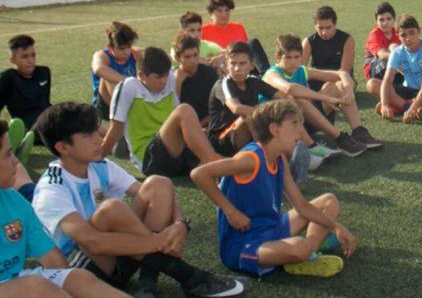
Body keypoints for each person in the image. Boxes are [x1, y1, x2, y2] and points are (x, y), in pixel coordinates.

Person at [31, 103, 248, 298]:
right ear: (63, 147)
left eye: (96, 131)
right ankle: (189, 276)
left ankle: (147, 284)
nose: (99, 138)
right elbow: (92, 242)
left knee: (158, 183)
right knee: (112, 209)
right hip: (82, 272)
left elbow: (151, 192)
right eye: (88, 135)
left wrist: (180, 223)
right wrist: (162, 240)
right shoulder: (52, 188)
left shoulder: (99, 166)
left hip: (120, 255)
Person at [190, 100, 356, 278]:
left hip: (273, 228)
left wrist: (337, 227)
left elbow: (301, 206)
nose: (301, 131)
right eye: (294, 124)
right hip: (244, 244)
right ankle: (307, 249)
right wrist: (231, 211)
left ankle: (308, 253)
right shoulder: (250, 159)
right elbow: (199, 174)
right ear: (275, 129)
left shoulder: (279, 158)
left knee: (329, 201)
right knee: (299, 247)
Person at [0, 119, 132, 298]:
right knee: (34, 287)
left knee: (77, 277)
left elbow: (51, 258)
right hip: (16, 286)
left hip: (13, 280)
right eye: (8, 154)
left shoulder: (14, 201)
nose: (16, 161)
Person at [208, 42, 343, 176]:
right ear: (226, 64)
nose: (237, 68)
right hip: (223, 140)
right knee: (248, 116)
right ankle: (280, 159)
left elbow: (284, 97)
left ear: (252, 65)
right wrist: (268, 117)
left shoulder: (253, 81)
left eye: (242, 63)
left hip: (250, 133)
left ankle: (299, 155)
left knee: (281, 115)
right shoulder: (223, 83)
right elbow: (237, 108)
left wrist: (293, 112)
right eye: (233, 63)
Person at [101, 47, 220, 177]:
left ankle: (211, 167)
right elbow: (115, 130)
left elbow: (177, 121)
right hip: (149, 158)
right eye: (158, 77)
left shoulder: (170, 79)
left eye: (165, 75)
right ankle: (214, 164)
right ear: (141, 75)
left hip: (172, 153)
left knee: (203, 135)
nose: (163, 81)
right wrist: (97, 158)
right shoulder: (129, 87)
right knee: (184, 110)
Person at [263, 35, 381, 156]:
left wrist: (349, 92)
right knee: (297, 98)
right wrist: (327, 98)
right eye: (288, 57)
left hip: (306, 119)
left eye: (296, 57)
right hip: (284, 126)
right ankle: (338, 139)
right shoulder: (271, 74)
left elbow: (342, 74)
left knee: (338, 86)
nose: (293, 62)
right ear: (277, 57)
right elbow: (290, 88)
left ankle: (358, 132)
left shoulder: (301, 70)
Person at [378, 14, 422, 123]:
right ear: (398, 36)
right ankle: (412, 108)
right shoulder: (397, 52)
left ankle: (404, 106)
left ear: (419, 31)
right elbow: (387, 80)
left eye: (412, 33)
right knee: (372, 84)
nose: (408, 39)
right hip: (409, 90)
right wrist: (384, 105)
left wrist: (413, 107)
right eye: (403, 35)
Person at [201, 0, 270, 74]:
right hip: (222, 68)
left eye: (227, 10)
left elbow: (247, 50)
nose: (224, 14)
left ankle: (265, 74)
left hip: (243, 65)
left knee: (253, 43)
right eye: (219, 11)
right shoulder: (203, 30)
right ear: (211, 13)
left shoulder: (238, 27)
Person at [0, 35, 51, 134]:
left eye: (33, 55)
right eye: (24, 56)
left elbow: (45, 103)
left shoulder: (43, 72)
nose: (30, 60)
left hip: (47, 122)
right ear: (12, 60)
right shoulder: (8, 78)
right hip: (26, 129)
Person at [90, 22, 141, 121]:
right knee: (107, 77)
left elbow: (158, 57)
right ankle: (121, 116)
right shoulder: (102, 55)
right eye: (122, 49)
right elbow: (98, 69)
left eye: (129, 47)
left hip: (131, 97)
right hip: (105, 105)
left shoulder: (135, 53)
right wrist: (128, 81)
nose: (126, 52)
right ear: (110, 47)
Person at [302, 6, 355, 91]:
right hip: (316, 80)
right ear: (315, 26)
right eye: (320, 28)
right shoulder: (308, 41)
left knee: (339, 85)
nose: (324, 32)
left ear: (335, 24)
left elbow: (345, 72)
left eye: (328, 27)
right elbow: (299, 70)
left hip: (339, 80)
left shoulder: (347, 40)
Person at [173, 33, 219, 128]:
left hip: (211, 125)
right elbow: (173, 113)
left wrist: (199, 126)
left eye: (195, 55)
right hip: (184, 128)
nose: (193, 60)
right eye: (187, 57)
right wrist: (178, 83)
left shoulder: (209, 73)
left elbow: (218, 108)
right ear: (178, 58)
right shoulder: (172, 79)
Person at [363, 2, 403, 99]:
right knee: (394, 48)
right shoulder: (375, 34)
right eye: (381, 20)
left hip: (395, 69)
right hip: (376, 70)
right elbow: (382, 55)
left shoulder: (398, 33)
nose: (385, 23)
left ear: (394, 20)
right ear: (376, 21)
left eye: (388, 19)